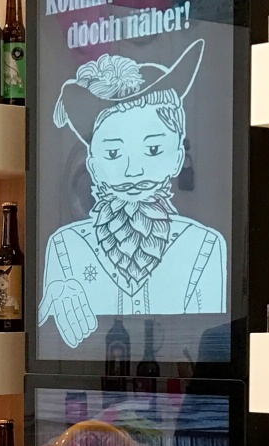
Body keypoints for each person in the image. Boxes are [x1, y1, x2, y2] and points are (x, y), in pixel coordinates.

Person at [38, 40, 227, 349]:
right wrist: (50, 316)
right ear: (94, 165)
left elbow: (208, 351)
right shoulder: (65, 248)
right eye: (113, 152)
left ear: (178, 156)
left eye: (153, 149)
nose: (133, 171)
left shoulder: (204, 247)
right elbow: (54, 349)